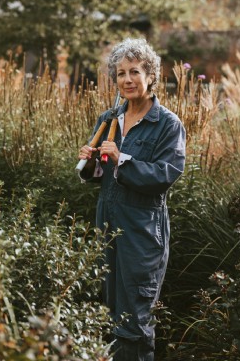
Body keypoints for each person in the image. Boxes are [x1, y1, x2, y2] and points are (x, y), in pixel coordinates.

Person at [77, 37, 186, 360]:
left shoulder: (167, 124)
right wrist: (92, 162)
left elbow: (166, 175)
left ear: (151, 76)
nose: (127, 79)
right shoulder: (109, 119)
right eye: (121, 73)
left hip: (141, 231)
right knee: (109, 311)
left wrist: (122, 159)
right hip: (107, 224)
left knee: (135, 319)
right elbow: (100, 177)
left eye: (135, 71)